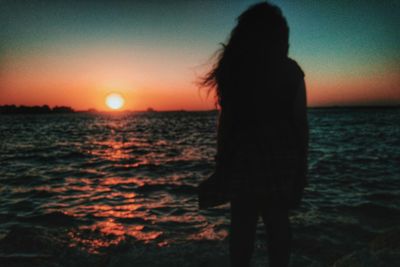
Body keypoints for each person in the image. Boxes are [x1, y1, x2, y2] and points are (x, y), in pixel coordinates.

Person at [201, 2, 309, 267]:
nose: (287, 45)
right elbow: (300, 123)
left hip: (243, 160)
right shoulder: (290, 70)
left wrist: (221, 165)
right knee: (278, 224)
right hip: (281, 161)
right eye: (285, 38)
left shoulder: (237, 71)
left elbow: (226, 124)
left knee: (242, 226)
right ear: (274, 38)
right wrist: (302, 168)